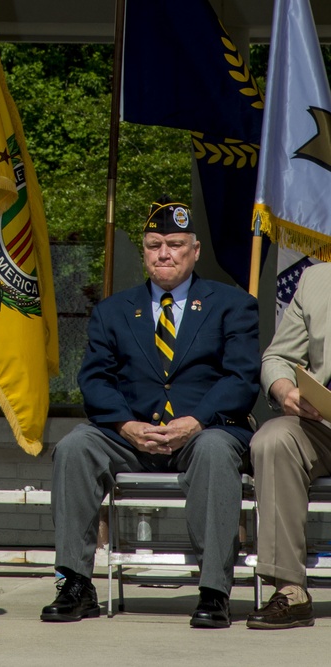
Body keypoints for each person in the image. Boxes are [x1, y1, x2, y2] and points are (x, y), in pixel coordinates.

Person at [40, 197, 259, 628]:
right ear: (144, 251)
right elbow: (95, 380)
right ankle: (75, 583)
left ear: (195, 251)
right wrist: (127, 425)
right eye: (154, 244)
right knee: (74, 447)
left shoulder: (232, 305)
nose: (164, 253)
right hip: (132, 435)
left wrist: (195, 422)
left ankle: (214, 590)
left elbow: (242, 378)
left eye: (175, 244)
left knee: (216, 450)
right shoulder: (113, 311)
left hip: (203, 432)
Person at [246, 262, 331, 629]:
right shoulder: (316, 279)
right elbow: (277, 357)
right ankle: (290, 591)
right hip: (323, 422)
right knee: (274, 438)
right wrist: (286, 391)